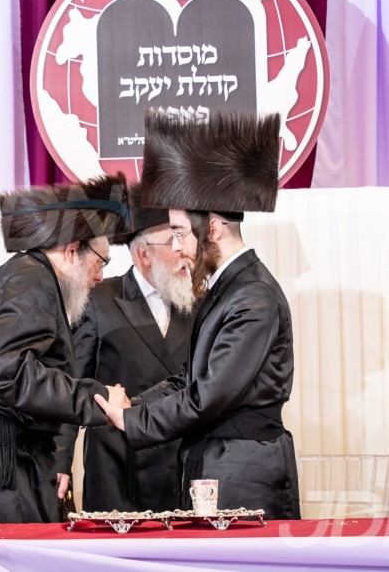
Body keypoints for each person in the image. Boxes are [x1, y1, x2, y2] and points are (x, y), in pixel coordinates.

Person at [95, 112, 301, 519]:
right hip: (220, 466)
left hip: (244, 475)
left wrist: (133, 420)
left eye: (179, 233)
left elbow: (206, 397)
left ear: (214, 229)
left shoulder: (253, 298)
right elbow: (189, 378)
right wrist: (132, 404)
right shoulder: (226, 290)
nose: (175, 246)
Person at [0, 173, 132, 524]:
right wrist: (98, 398)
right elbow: (11, 373)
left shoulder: (28, 274)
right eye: (102, 262)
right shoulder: (31, 278)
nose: (100, 276)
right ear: (72, 250)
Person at [69, 184, 195, 513]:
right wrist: (59, 462)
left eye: (184, 238)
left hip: (181, 468)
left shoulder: (197, 302)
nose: (184, 250)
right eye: (173, 240)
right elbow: (72, 387)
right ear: (143, 254)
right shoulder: (98, 300)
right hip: (117, 470)